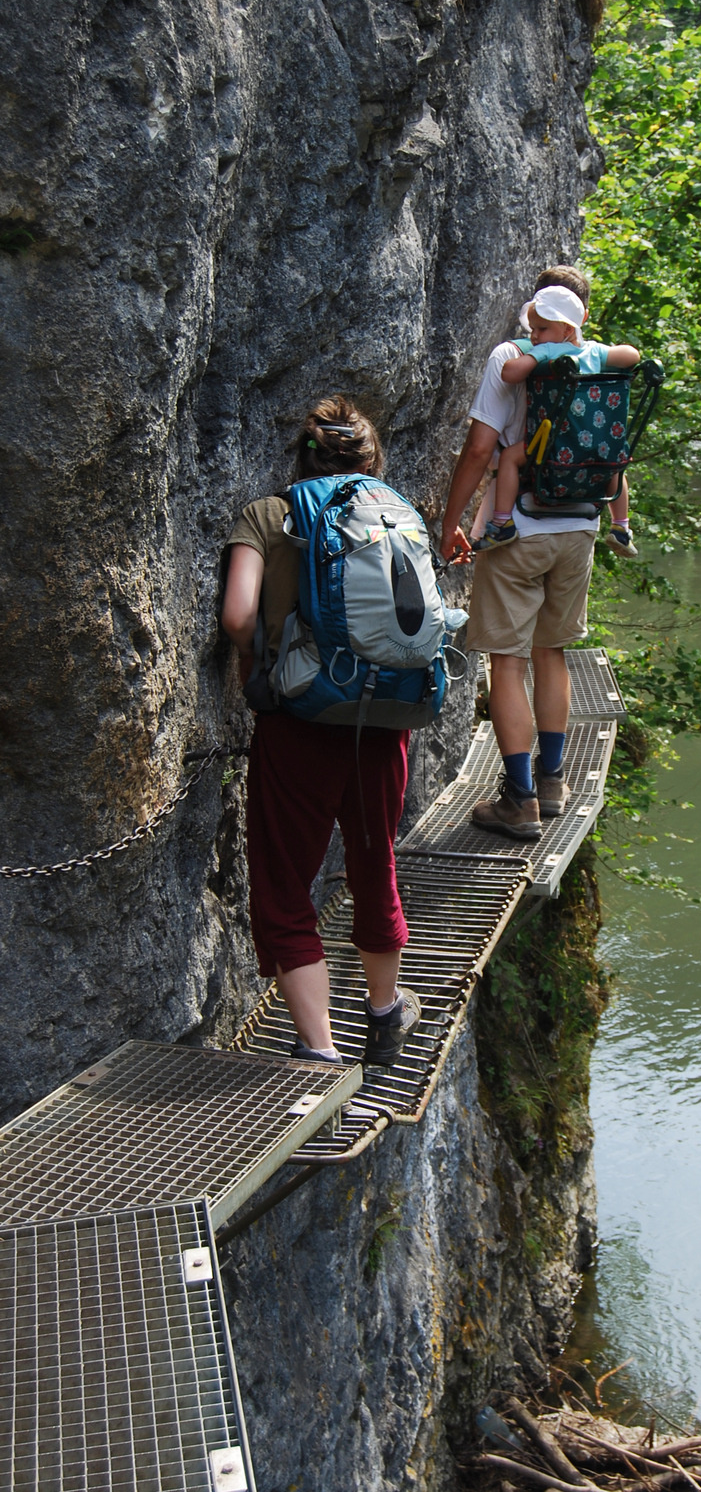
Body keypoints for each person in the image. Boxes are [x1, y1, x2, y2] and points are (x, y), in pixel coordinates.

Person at [221, 396, 421, 1067]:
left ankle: (320, 1048)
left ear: (300, 457)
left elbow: (238, 615)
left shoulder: (269, 515)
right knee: (373, 861)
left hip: (298, 722)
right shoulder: (393, 512)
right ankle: (385, 1011)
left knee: (284, 882)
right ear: (370, 460)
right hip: (381, 721)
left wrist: (257, 663)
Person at [439, 267, 603, 841]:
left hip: (521, 530)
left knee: (506, 662)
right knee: (550, 651)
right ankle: (554, 781)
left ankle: (520, 799)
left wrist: (451, 522)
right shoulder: (596, 363)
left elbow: (481, 447)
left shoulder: (512, 355)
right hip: (581, 529)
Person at [473, 284, 640, 557]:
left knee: (510, 458)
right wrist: (598, 351)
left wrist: (533, 357)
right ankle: (621, 526)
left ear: (567, 330)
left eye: (541, 329)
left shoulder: (549, 351)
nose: (534, 336)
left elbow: (510, 373)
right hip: (593, 445)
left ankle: (502, 522)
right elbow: (632, 356)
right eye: (533, 330)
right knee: (616, 463)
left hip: (552, 443)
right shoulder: (595, 353)